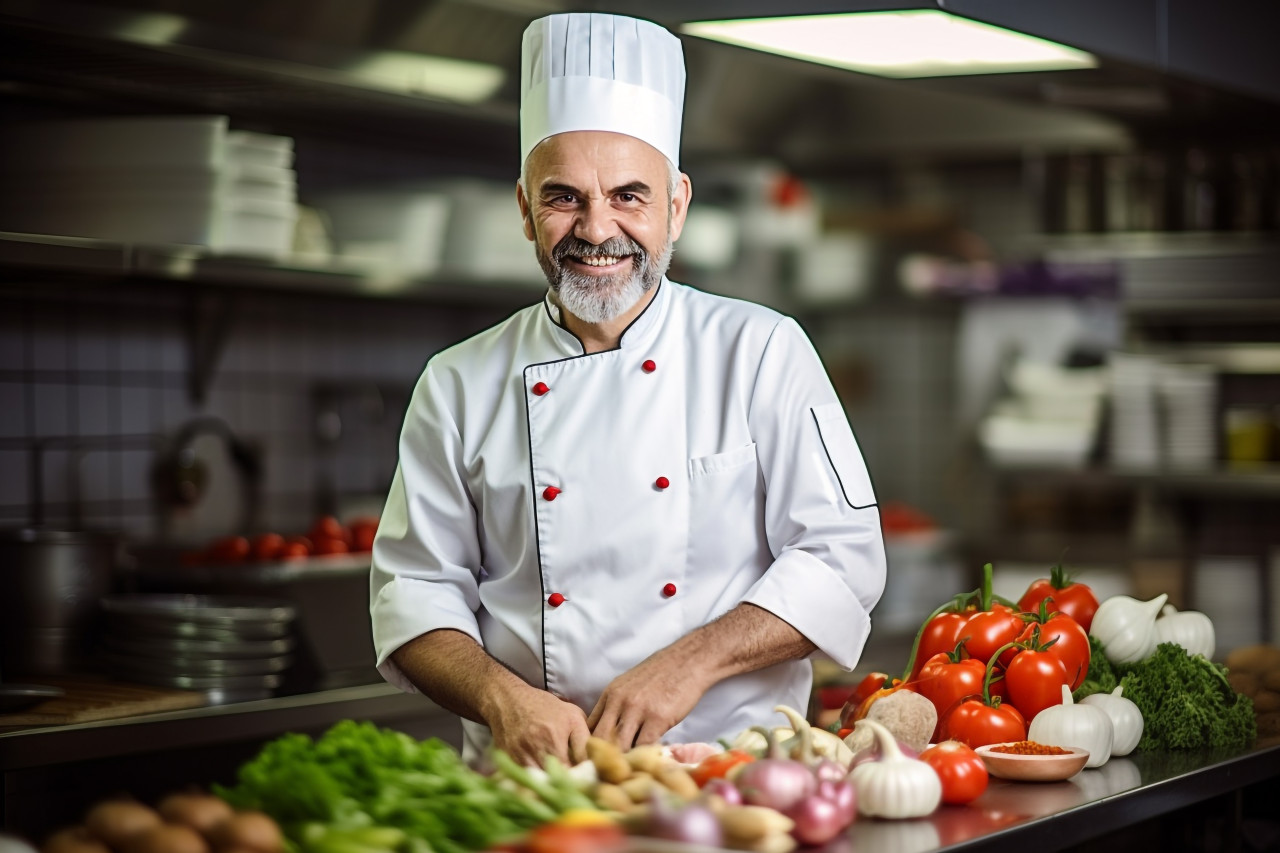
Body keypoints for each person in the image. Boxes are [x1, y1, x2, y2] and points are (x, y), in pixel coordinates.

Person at [370, 12, 886, 768]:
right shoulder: (458, 382)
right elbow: (413, 591)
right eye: (564, 197)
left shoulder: (761, 350)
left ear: (676, 206)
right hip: (530, 785)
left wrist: (692, 660)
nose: (596, 227)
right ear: (523, 208)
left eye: (629, 196)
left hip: (728, 777)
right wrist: (501, 697)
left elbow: (842, 561)